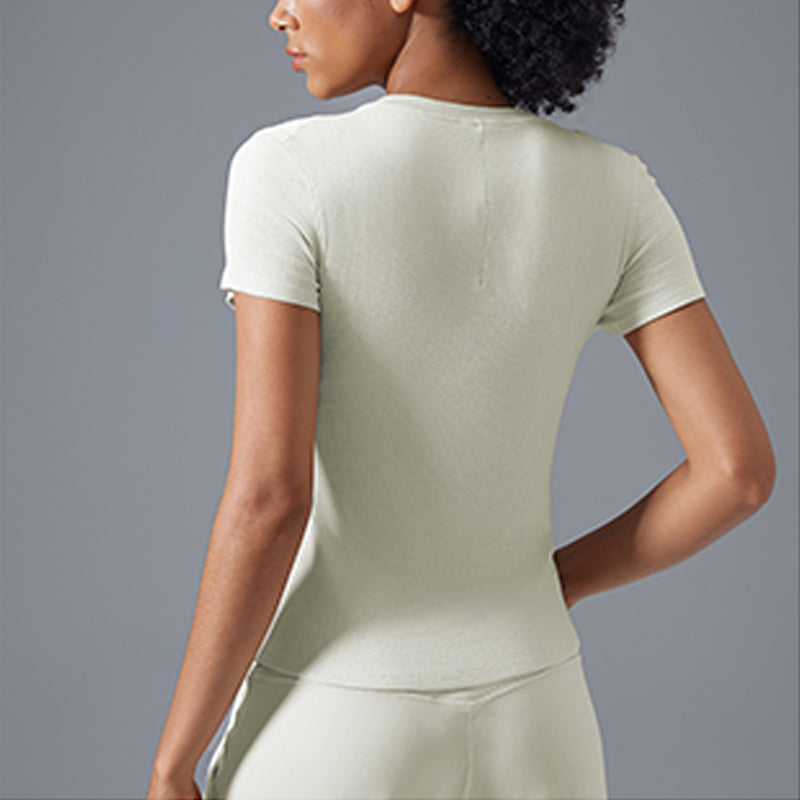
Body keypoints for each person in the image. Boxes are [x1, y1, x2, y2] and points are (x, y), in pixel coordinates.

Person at [147, 0, 777, 798]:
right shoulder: (617, 186)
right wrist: (553, 584)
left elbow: (271, 497)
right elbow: (736, 474)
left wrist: (173, 763)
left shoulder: (290, 168)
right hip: (542, 714)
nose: (279, 14)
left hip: (339, 713)